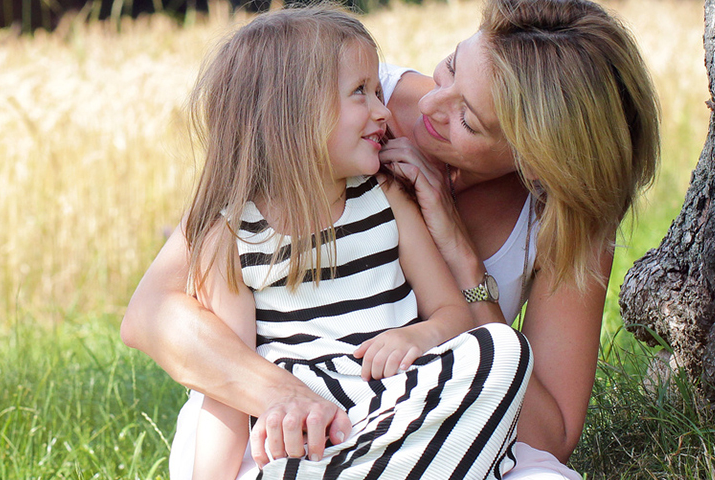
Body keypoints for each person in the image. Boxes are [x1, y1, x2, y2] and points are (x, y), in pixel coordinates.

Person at [120, 0, 660, 478]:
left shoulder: (570, 219)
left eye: (467, 120)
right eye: (449, 65)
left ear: (539, 165)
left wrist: (464, 261)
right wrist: (288, 396)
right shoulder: (339, 100)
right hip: (283, 413)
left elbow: (550, 434)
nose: (427, 106)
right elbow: (151, 313)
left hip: (419, 407)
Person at [176, 5, 531, 479]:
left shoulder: (385, 198)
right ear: (295, 113)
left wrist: (415, 336)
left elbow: (454, 315)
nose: (384, 111)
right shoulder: (231, 233)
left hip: (399, 401)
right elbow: (228, 380)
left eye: (378, 91)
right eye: (360, 93)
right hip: (310, 429)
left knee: (505, 349)